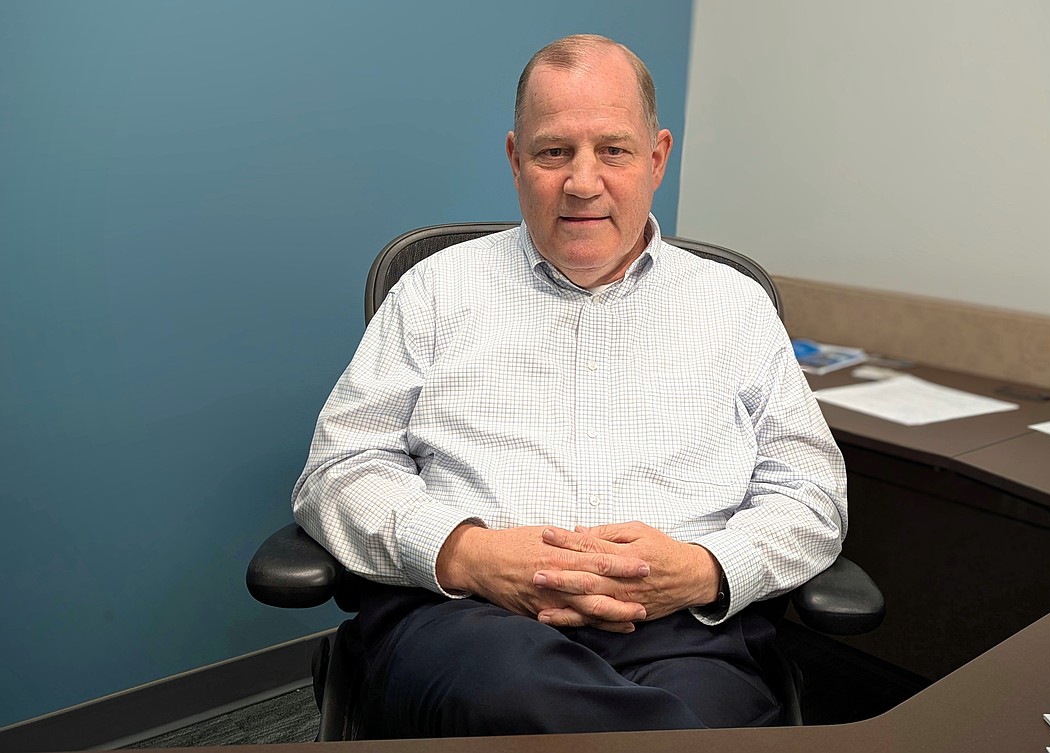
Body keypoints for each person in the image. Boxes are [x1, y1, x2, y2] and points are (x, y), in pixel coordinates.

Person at [292, 34, 846, 737]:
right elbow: (338, 470)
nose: (583, 182)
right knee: (535, 698)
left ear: (657, 158)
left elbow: (810, 491)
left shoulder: (734, 305)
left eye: (612, 150)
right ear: (516, 160)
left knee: (699, 713)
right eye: (554, 152)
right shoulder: (434, 290)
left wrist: (706, 567)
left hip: (686, 633)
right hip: (471, 622)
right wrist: (467, 553)